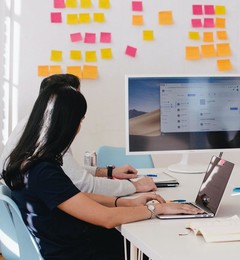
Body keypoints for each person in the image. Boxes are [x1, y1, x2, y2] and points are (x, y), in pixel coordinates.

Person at [1, 83, 201, 259]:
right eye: (80, 120)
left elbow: (75, 197)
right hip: (74, 252)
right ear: (67, 124)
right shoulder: (43, 171)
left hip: (67, 243)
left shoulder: (27, 161)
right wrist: (157, 209)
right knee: (159, 244)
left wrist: (124, 202)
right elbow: (107, 219)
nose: (79, 128)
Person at [0, 74, 156, 196]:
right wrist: (134, 186)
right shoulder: (47, 136)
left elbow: (67, 172)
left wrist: (108, 172)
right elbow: (84, 185)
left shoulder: (31, 126)